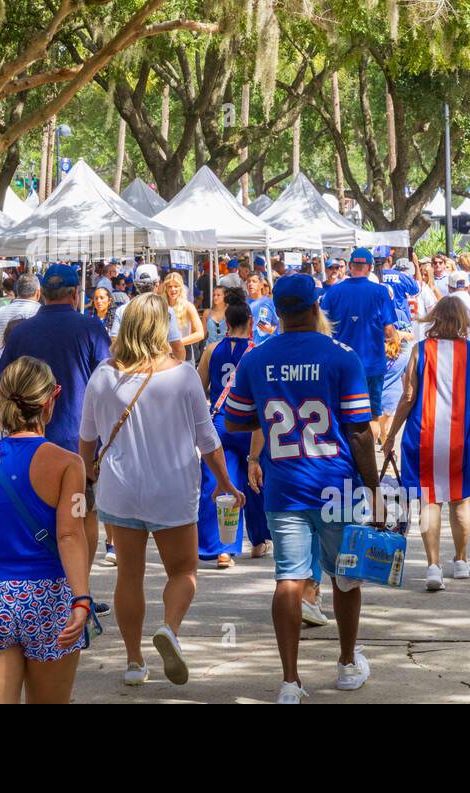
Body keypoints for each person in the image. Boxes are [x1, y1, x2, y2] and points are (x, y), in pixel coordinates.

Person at [223, 273, 379, 703]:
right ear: (315, 307)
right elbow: (361, 431)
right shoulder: (342, 356)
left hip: (284, 485)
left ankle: (290, 681)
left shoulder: (256, 359)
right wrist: (375, 489)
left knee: (289, 580)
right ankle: (347, 664)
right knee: (345, 577)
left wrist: (273, 418)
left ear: (276, 311)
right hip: (337, 484)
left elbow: (235, 420)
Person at [81, 293, 240, 687]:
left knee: (129, 578)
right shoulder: (183, 375)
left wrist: (87, 481)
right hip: (172, 488)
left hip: (120, 490)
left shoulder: (103, 375)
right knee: (183, 571)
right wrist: (225, 482)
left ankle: (134, 662)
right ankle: (169, 629)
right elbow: (208, 441)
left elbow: (86, 440)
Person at [0, 356, 91, 704]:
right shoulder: (69, 464)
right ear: (50, 400)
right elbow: (70, 535)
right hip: (48, 597)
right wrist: (81, 599)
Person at [0, 264, 111, 588]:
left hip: (28, 439)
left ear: (42, 293)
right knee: (83, 514)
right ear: (75, 294)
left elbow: (2, 380)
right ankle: (78, 591)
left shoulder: (22, 332)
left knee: (33, 511)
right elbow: (107, 381)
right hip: (79, 442)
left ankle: (39, 587)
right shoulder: (91, 328)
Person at [385, 298, 470, 591]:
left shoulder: (420, 351)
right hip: (462, 438)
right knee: (460, 500)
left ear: (436, 318)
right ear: (462, 321)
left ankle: (432, 566)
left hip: (423, 435)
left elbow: (407, 398)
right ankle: (461, 560)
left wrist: (391, 434)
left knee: (429, 500)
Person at [196, 298, 270, 568]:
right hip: (250, 425)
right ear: (250, 322)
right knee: (255, 480)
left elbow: (198, 387)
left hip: (220, 424)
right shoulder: (259, 352)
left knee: (219, 482)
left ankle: (222, 548)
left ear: (226, 323)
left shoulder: (211, 350)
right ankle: (260, 540)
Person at [320, 247, 398, 435]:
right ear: (370, 267)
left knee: (342, 415)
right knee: (371, 416)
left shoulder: (333, 293)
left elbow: (322, 329)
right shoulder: (380, 292)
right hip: (372, 364)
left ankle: (349, 459)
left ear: (350, 266)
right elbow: (388, 330)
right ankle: (368, 462)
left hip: (341, 365)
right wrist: (396, 338)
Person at [110, 263, 187, 361]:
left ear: (135, 284)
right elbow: (178, 349)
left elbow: (114, 343)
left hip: (131, 368)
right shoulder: (166, 310)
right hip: (158, 369)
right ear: (157, 284)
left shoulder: (122, 310)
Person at [0, 272, 41, 344]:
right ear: (38, 293)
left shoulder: (1, 312)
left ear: (17, 291)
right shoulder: (44, 314)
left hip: (5, 354)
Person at [164, 271, 205, 360]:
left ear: (181, 288)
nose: (173, 289)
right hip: (164, 354)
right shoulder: (161, 306)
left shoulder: (188, 306)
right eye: (170, 286)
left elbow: (200, 333)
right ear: (165, 288)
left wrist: (177, 343)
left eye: (176, 286)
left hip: (184, 353)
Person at [245, 272, 278, 345]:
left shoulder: (270, 303)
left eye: (254, 281)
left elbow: (280, 325)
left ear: (261, 285)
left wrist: (271, 330)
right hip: (246, 348)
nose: (250, 284)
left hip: (265, 347)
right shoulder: (242, 303)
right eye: (248, 281)